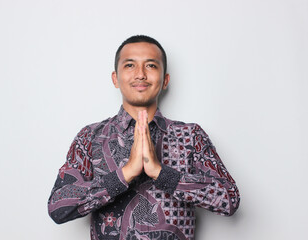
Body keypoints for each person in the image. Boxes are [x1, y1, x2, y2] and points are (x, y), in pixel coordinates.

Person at [47, 35, 240, 240]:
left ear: (165, 80)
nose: (140, 74)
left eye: (151, 66)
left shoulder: (191, 137)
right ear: (115, 78)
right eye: (130, 65)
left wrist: (161, 172)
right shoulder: (90, 137)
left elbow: (229, 200)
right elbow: (57, 208)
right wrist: (125, 174)